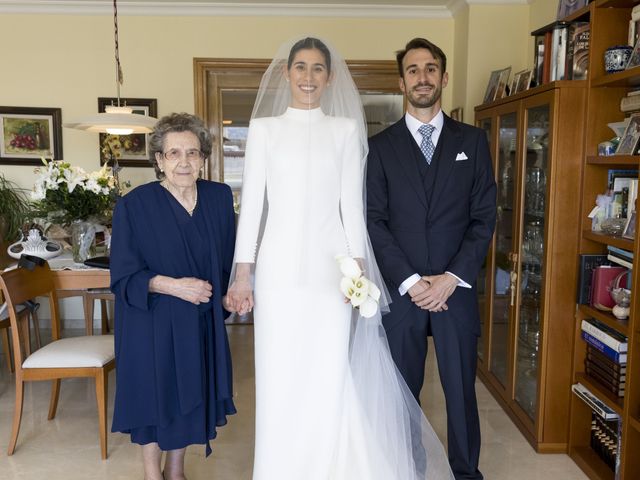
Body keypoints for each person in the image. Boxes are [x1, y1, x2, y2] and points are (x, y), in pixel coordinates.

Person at [226, 36, 453, 480]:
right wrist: (242, 276)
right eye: (300, 67)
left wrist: (360, 272)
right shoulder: (265, 131)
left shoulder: (346, 130)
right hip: (278, 272)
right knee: (279, 373)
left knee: (329, 369)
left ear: (329, 78)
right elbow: (252, 206)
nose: (308, 77)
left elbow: (353, 207)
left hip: (333, 272)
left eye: (317, 69)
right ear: (287, 74)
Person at [367, 37, 497, 480]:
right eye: (413, 70)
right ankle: (409, 469)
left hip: (454, 293)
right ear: (401, 81)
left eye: (430, 68)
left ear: (442, 76)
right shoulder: (379, 147)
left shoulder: (474, 141)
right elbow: (375, 221)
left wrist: (451, 278)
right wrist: (410, 281)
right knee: (403, 391)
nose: (422, 77)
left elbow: (483, 218)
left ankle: (466, 473)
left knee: (461, 391)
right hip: (402, 294)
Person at [110, 113, 236, 480]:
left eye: (193, 153)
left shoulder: (218, 197)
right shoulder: (134, 205)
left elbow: (228, 259)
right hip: (151, 319)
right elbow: (123, 277)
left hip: (199, 318)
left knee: (189, 397)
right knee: (154, 396)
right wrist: (176, 286)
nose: (184, 162)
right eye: (174, 153)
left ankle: (175, 471)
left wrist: (232, 293)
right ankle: (153, 474)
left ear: (204, 157)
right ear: (159, 159)